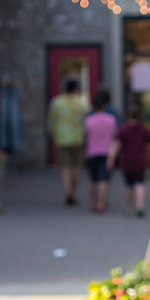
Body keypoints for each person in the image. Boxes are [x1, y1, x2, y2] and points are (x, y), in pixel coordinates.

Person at [108, 100, 150, 217]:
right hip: (140, 160)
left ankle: (129, 207)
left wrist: (111, 159)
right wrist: (148, 157)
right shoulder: (143, 129)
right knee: (140, 184)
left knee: (129, 185)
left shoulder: (123, 129)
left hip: (127, 161)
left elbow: (116, 145)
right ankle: (140, 206)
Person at [47, 77, 87, 206]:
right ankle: (74, 192)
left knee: (65, 167)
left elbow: (51, 121)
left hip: (62, 138)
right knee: (76, 167)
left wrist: (52, 134)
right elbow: (87, 120)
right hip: (78, 138)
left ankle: (68, 191)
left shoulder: (56, 102)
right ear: (76, 89)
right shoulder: (81, 102)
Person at [83, 87, 117, 214]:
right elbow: (114, 137)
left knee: (93, 179)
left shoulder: (88, 120)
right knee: (104, 179)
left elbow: (85, 137)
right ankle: (101, 203)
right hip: (106, 151)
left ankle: (93, 202)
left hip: (92, 152)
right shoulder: (111, 119)